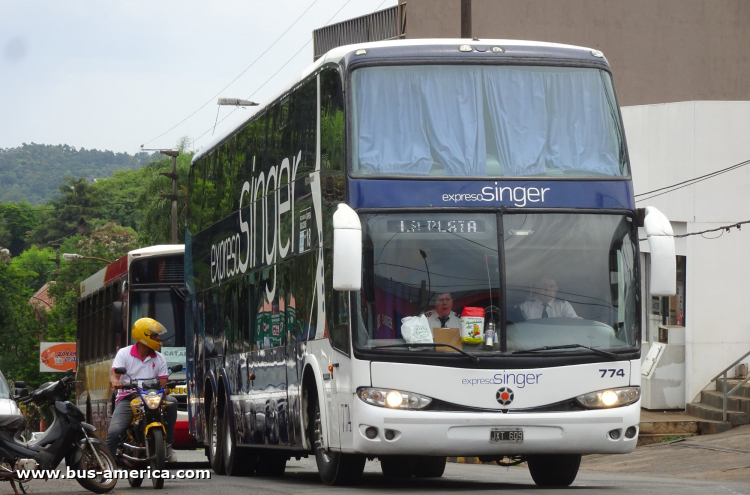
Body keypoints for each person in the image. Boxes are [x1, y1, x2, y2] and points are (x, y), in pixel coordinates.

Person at [106, 317, 178, 463]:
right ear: (143, 336)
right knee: (114, 433)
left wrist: (165, 391)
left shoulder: (159, 358)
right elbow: (114, 376)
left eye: (158, 335)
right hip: (128, 398)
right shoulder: (124, 354)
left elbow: (164, 384)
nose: (158, 338)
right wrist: (116, 383)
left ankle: (168, 444)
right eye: (154, 335)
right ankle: (106, 466)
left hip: (152, 397)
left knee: (173, 402)